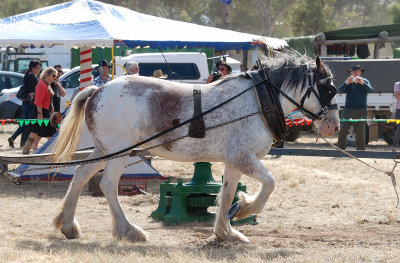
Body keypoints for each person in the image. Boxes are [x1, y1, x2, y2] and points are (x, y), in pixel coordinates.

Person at [337, 65, 373, 150]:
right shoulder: (348, 81)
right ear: (351, 73)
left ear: (360, 72)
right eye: (353, 72)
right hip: (348, 109)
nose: (355, 73)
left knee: (360, 132)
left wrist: (362, 83)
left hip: (361, 110)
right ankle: (340, 149)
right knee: (343, 130)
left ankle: (360, 151)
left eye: (357, 71)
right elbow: (340, 90)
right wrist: (346, 83)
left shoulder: (365, 81)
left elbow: (370, 90)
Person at [22, 67, 58, 154]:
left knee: (36, 131)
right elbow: (38, 101)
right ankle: (52, 150)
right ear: (47, 75)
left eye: (55, 76)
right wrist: (40, 113)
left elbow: (50, 100)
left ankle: (26, 150)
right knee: (50, 132)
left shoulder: (47, 84)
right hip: (41, 111)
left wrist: (52, 112)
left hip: (46, 111)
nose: (55, 78)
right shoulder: (41, 84)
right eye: (53, 75)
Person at [8, 60, 42, 148]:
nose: (40, 69)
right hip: (30, 103)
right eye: (38, 67)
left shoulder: (29, 76)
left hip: (26, 103)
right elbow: (31, 92)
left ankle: (20, 142)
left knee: (26, 123)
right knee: (28, 123)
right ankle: (16, 139)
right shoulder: (31, 77)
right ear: (33, 68)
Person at [392, 81, 400, 151]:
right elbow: (397, 97)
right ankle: (394, 147)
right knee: (399, 129)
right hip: (399, 110)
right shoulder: (397, 84)